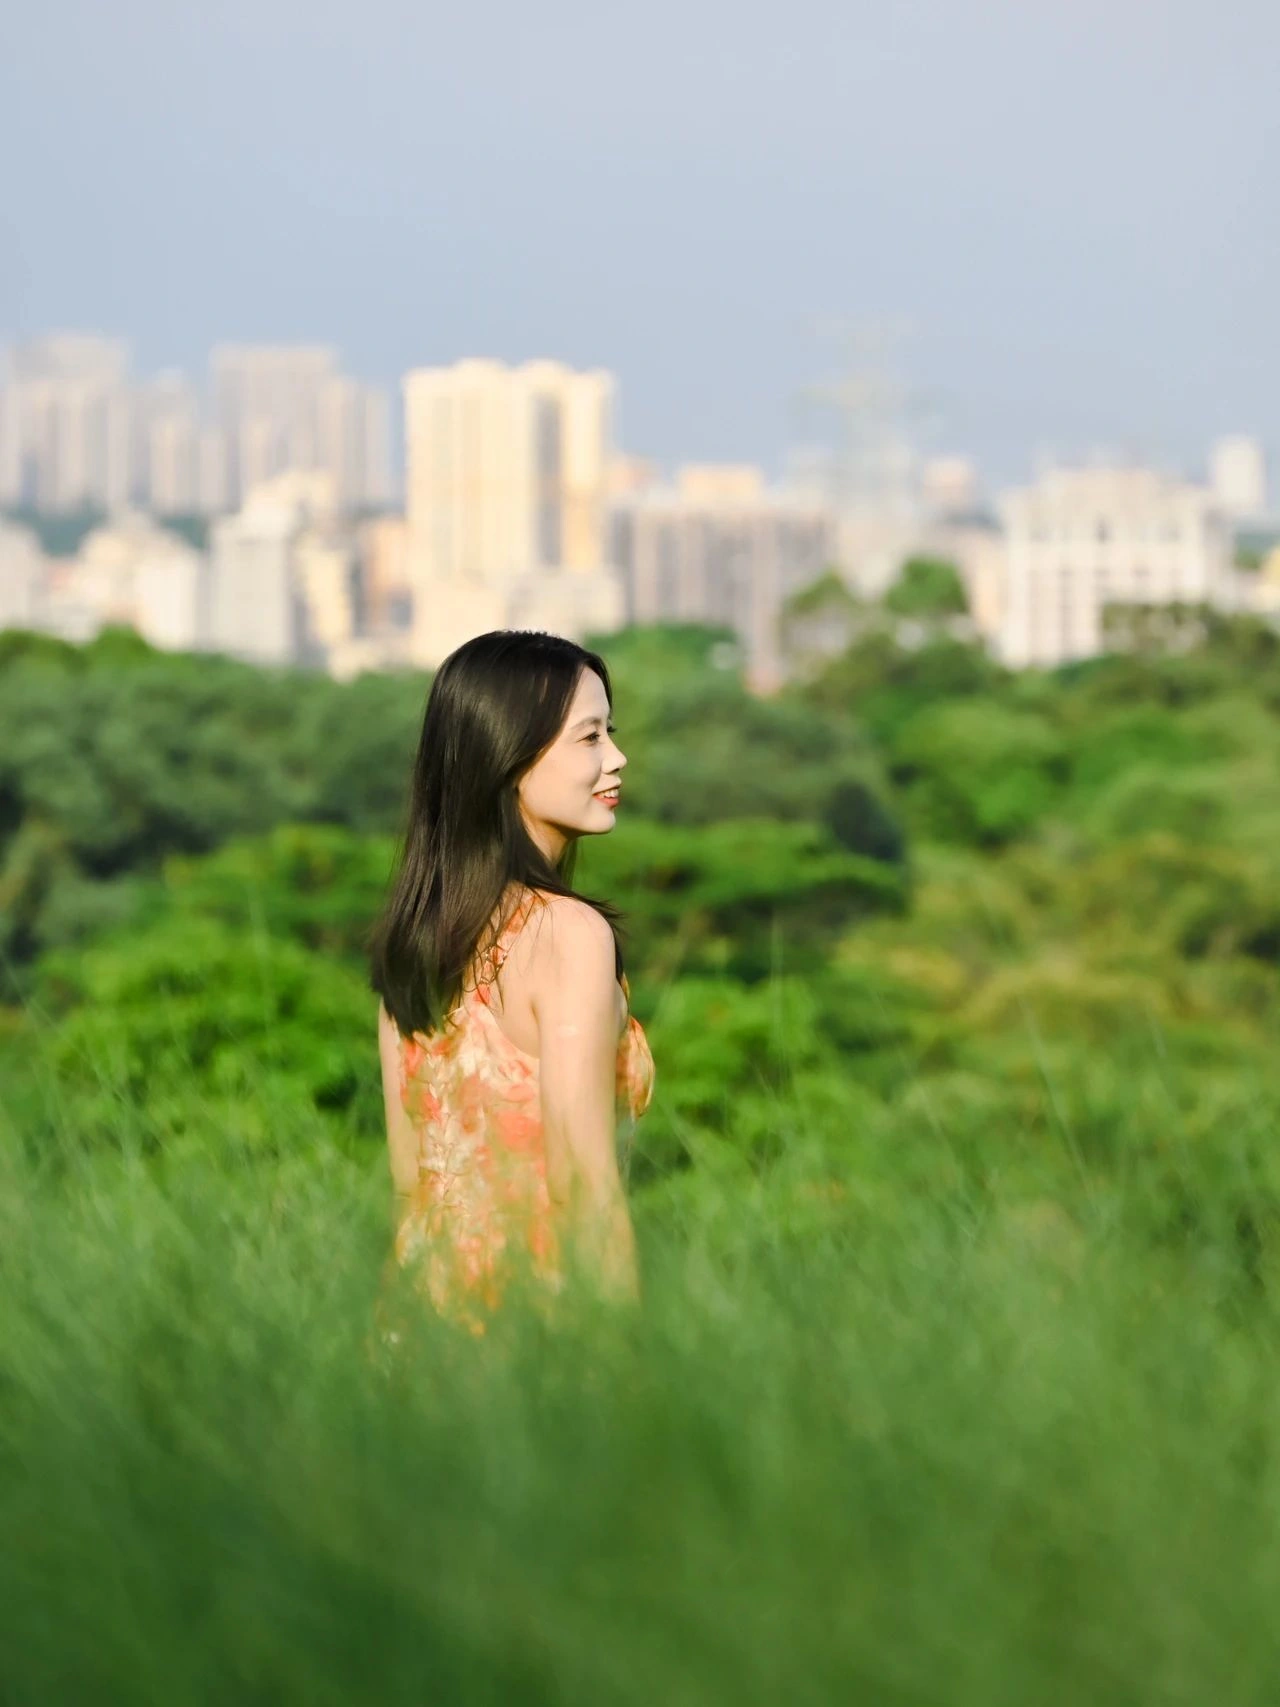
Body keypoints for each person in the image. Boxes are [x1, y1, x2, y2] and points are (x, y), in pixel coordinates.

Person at [367, 629, 655, 1338]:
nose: (616, 758)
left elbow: (413, 1194)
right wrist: (626, 1380)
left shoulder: (417, 942)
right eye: (590, 738)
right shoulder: (568, 936)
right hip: (528, 1333)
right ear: (509, 755)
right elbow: (583, 1189)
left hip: (410, 1337)